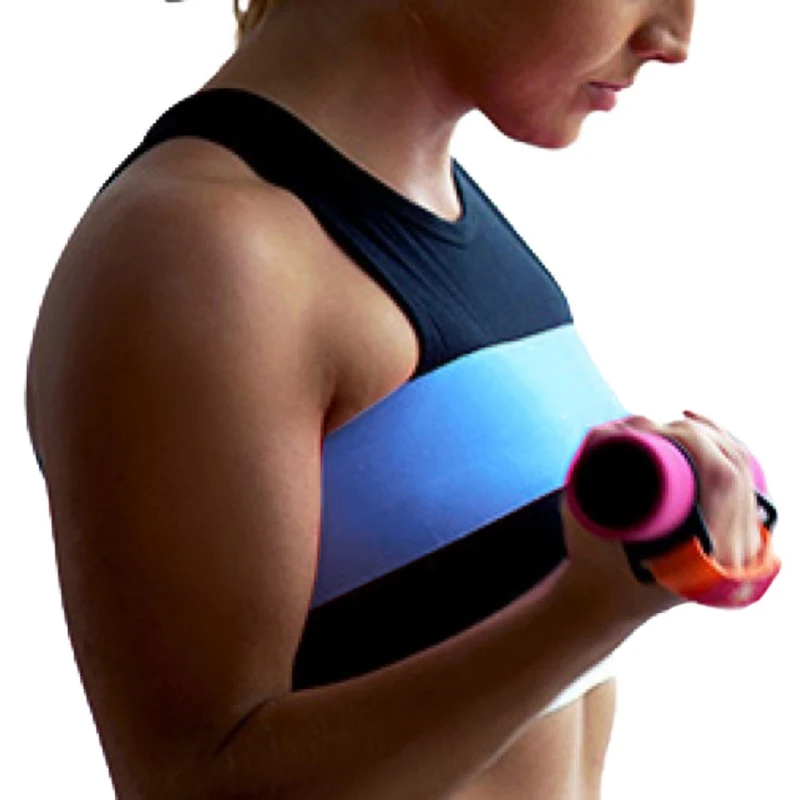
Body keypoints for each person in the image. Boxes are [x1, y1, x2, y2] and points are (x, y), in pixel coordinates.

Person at [24, 1, 764, 798]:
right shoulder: (202, 246)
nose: (674, 39)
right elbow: (190, 785)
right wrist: (585, 614)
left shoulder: (444, 208)